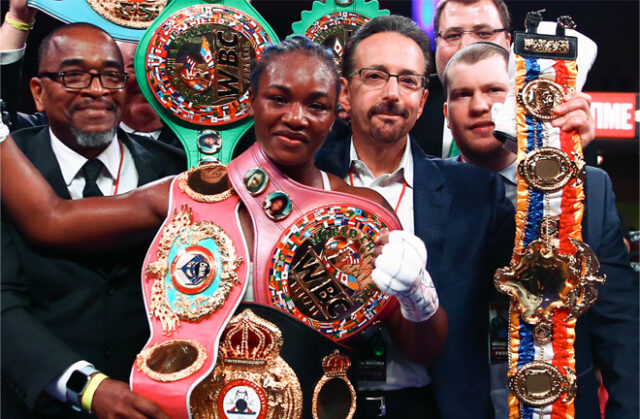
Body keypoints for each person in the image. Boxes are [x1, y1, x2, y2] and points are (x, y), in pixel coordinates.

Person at [1, 35, 448, 416]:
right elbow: (51, 221)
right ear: (251, 101)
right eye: (278, 98)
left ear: (337, 112)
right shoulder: (188, 193)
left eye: (316, 105)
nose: (296, 117)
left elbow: (422, 350)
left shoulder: (360, 213)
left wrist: (416, 295)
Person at [316, 15, 515, 418]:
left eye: (408, 80)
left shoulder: (475, 193)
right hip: (324, 402)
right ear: (344, 93)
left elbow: (538, 283)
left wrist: (557, 153)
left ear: (423, 100)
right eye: (374, 76)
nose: (392, 93)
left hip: (437, 407)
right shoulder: (304, 180)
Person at [442, 41, 639, 418]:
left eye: (495, 90)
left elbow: (621, 332)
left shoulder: (587, 190)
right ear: (447, 114)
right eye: (463, 94)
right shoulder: (424, 192)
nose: (481, 105)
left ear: (521, 99)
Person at [0, 23, 186, 418]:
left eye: (111, 75)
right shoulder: (10, 171)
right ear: (37, 91)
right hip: (38, 405)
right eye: (74, 75)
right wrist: (86, 386)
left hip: (156, 406)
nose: (97, 90)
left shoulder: (176, 172)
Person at [409, 0, 595, 159]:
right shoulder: (409, 102)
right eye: (453, 35)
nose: (466, 46)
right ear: (437, 44)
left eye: (483, 33)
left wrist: (573, 148)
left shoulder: (547, 103)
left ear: (508, 43)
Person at [0, 0, 181, 149]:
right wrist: (18, 20)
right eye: (136, 68)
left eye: (163, 69)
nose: (150, 79)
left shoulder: (198, 144)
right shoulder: (55, 131)